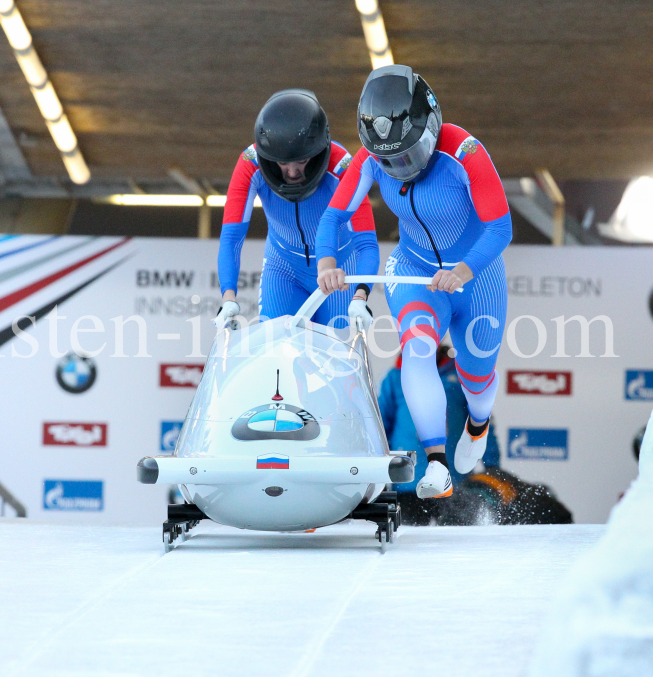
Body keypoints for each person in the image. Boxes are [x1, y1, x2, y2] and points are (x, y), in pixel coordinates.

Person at [317, 64, 512, 500]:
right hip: (413, 269)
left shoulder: (466, 152)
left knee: (476, 374)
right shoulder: (371, 158)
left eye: (409, 153)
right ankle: (437, 465)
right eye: (391, 160)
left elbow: (500, 228)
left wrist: (463, 270)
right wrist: (328, 260)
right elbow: (334, 214)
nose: (401, 167)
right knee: (418, 348)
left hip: (476, 276)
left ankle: (477, 424)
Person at [215, 89, 379, 330]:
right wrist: (228, 298)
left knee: (333, 355)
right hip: (283, 269)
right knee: (275, 348)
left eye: (301, 162)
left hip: (337, 272)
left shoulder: (342, 165)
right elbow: (231, 236)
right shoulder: (250, 165)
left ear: (318, 153)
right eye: (283, 163)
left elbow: (366, 242)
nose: (292, 173)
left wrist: (360, 297)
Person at [380, 344, 501, 524]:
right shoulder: (395, 377)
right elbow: (381, 427)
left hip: (454, 481)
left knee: (454, 544)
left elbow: (480, 421)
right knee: (410, 544)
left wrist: (492, 466)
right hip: (409, 481)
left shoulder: (461, 376)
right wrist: (378, 473)